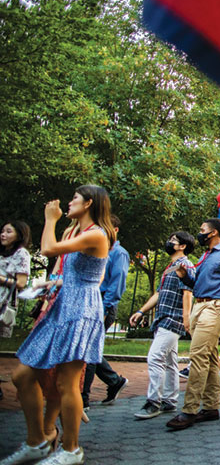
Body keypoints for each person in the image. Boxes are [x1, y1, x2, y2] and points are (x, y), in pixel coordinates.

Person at [8, 185, 115, 465]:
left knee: (67, 382)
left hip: (80, 310)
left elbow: (47, 249)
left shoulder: (96, 234)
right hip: (61, 304)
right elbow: (79, 273)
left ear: (89, 203)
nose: (68, 204)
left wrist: (50, 219)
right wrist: (50, 282)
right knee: (22, 375)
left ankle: (71, 449)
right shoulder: (78, 232)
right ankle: (37, 442)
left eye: (74, 199)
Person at [166, 218, 220, 430]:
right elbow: (198, 284)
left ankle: (189, 410)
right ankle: (211, 407)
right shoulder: (206, 255)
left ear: (214, 233)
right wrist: (185, 277)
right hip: (201, 306)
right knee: (208, 358)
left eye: (203, 230)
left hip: (217, 307)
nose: (199, 234)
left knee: (198, 355)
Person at [129, 231, 195, 420]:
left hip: (172, 319)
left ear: (182, 246)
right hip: (163, 317)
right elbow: (159, 294)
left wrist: (186, 319)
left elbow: (187, 293)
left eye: (174, 240)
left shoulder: (185, 265)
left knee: (155, 357)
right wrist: (141, 311)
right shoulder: (170, 267)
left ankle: (153, 402)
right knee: (169, 362)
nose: (169, 242)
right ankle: (169, 400)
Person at [82, 215, 129, 410]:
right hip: (89, 302)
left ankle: (82, 397)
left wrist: (106, 308)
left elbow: (117, 283)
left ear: (115, 230)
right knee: (87, 348)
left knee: (87, 350)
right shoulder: (96, 250)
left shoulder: (119, 253)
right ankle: (114, 381)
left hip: (103, 304)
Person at [0, 220, 31, 401]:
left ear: (19, 235)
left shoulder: (21, 254)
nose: (3, 234)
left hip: (2, 302)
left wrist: (2, 279)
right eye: (2, 231)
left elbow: (21, 283)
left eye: (8, 231)